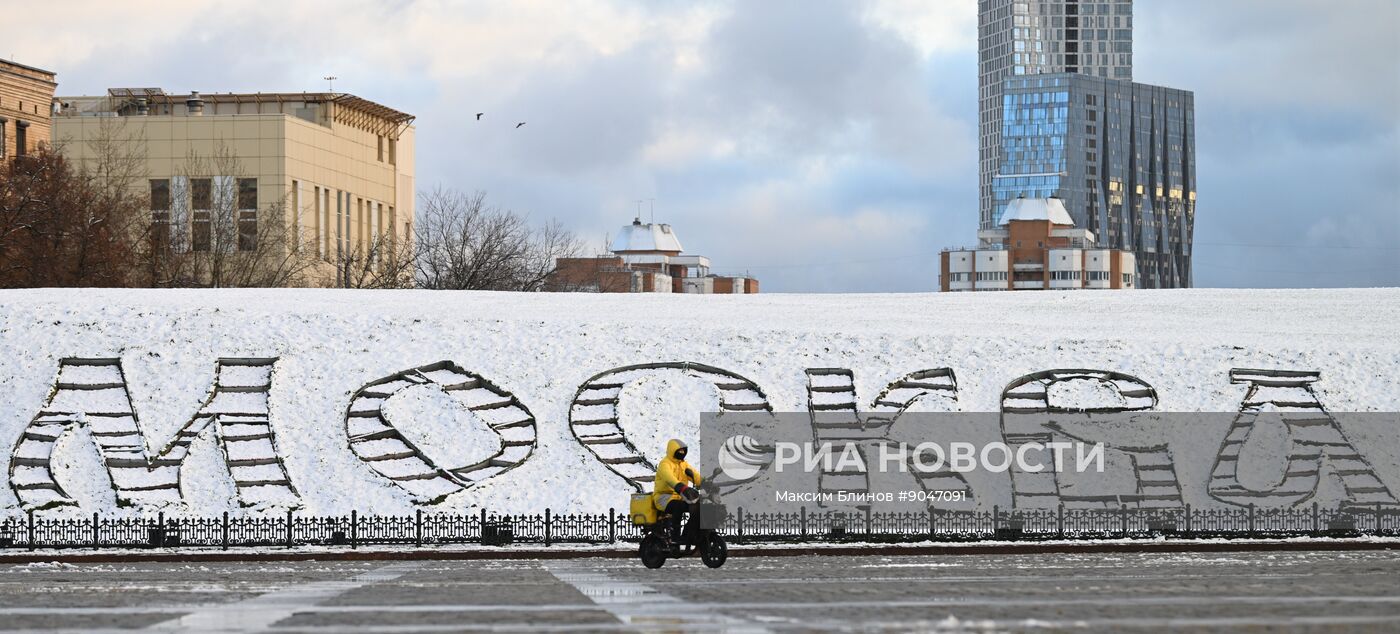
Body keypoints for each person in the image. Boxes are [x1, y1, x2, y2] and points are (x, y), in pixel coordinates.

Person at [653, 439, 701, 541]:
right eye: (679, 451)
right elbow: (669, 478)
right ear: (672, 450)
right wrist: (682, 487)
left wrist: (707, 484)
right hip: (663, 497)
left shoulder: (683, 464)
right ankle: (675, 536)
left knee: (699, 506)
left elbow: (695, 475)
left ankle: (689, 533)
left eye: (683, 451)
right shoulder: (664, 464)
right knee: (678, 506)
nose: (682, 453)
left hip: (681, 495)